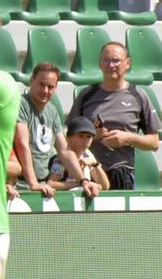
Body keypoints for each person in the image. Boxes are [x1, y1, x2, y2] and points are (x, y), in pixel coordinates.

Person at [66, 39, 162, 189]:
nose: (111, 65)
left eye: (116, 61)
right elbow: (68, 139)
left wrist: (127, 138)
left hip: (122, 173)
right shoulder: (86, 95)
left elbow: (154, 143)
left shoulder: (138, 95)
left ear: (127, 63)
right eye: (106, 60)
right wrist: (92, 136)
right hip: (89, 174)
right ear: (99, 63)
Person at [11, 61, 101, 194]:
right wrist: (33, 184)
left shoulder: (52, 111)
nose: (45, 90)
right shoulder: (21, 104)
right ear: (31, 81)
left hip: (45, 185)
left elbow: (64, 150)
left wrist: (83, 181)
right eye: (41, 84)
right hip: (22, 185)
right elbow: (22, 145)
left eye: (50, 87)